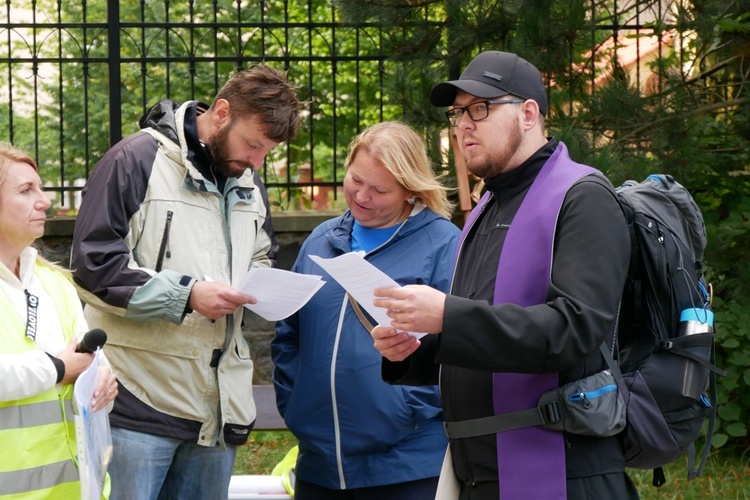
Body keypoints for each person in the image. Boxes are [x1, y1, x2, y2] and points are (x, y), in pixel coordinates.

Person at [369, 51, 640, 499]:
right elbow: (486, 329)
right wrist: (415, 351)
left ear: (529, 113)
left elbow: (575, 329)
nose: (463, 125)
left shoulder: (583, 196)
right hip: (479, 472)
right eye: (458, 113)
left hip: (565, 469)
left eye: (481, 108)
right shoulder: (487, 208)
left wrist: (449, 317)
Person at [70, 65, 301, 499]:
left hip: (216, 412)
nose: (256, 162)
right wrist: (188, 294)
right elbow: (92, 265)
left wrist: (262, 286)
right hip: (136, 404)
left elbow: (261, 255)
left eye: (267, 151)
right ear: (221, 112)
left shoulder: (248, 178)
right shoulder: (133, 160)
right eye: (253, 144)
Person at [272, 121, 460, 499]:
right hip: (319, 465)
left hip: (405, 466)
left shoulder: (443, 244)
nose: (361, 196)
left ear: (410, 190)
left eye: (379, 190)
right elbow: (288, 333)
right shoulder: (320, 241)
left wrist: (408, 412)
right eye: (356, 180)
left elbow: (459, 346)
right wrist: (296, 404)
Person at [0, 145, 118, 498]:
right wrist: (56, 368)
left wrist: (105, 382)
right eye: (26, 191)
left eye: (40, 188)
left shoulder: (56, 282)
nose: (45, 201)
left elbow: (88, 365)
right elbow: (64, 367)